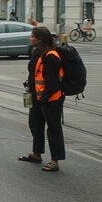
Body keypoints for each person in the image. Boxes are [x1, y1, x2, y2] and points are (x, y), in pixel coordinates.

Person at [19, 26, 66, 172]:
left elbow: (52, 83)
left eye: (33, 36)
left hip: (51, 99)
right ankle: (36, 153)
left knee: (53, 129)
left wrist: (43, 99)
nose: (30, 38)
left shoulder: (51, 56)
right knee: (35, 124)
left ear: (40, 39)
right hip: (37, 96)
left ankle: (55, 161)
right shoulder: (37, 52)